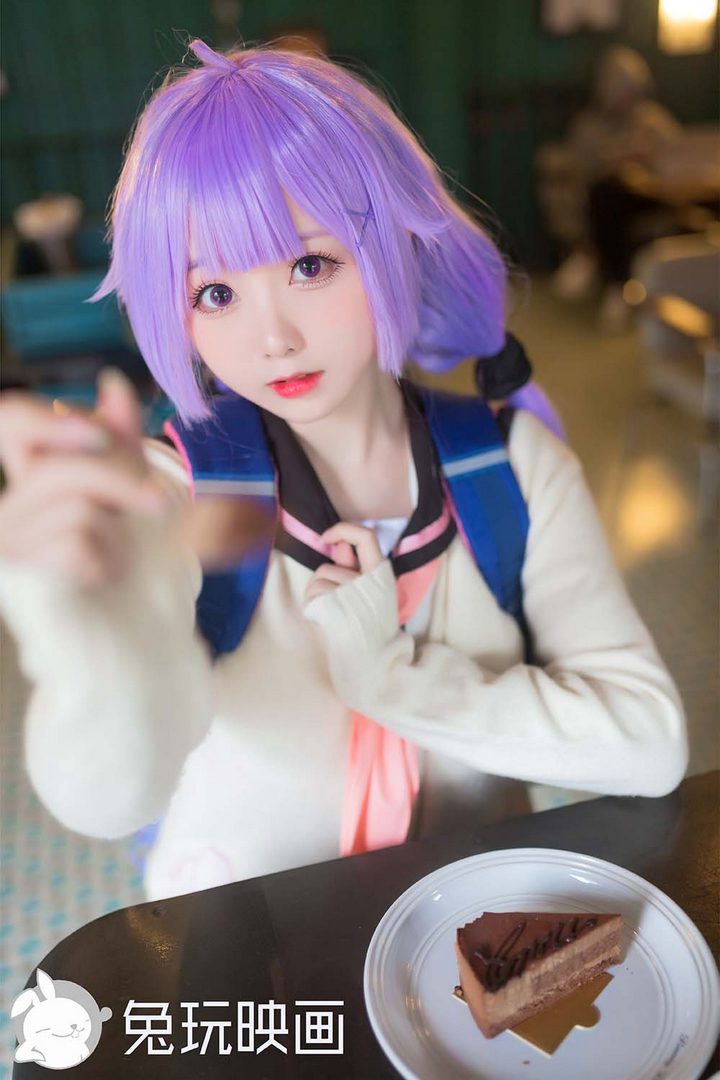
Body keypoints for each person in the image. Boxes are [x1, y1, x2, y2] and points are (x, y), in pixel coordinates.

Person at [0, 40, 687, 902]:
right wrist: (84, 634)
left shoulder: (509, 467)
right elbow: (109, 802)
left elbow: (649, 743)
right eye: (215, 293)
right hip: (251, 951)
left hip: (463, 944)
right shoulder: (182, 492)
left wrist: (388, 677)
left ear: (392, 245)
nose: (273, 337)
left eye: (311, 265)